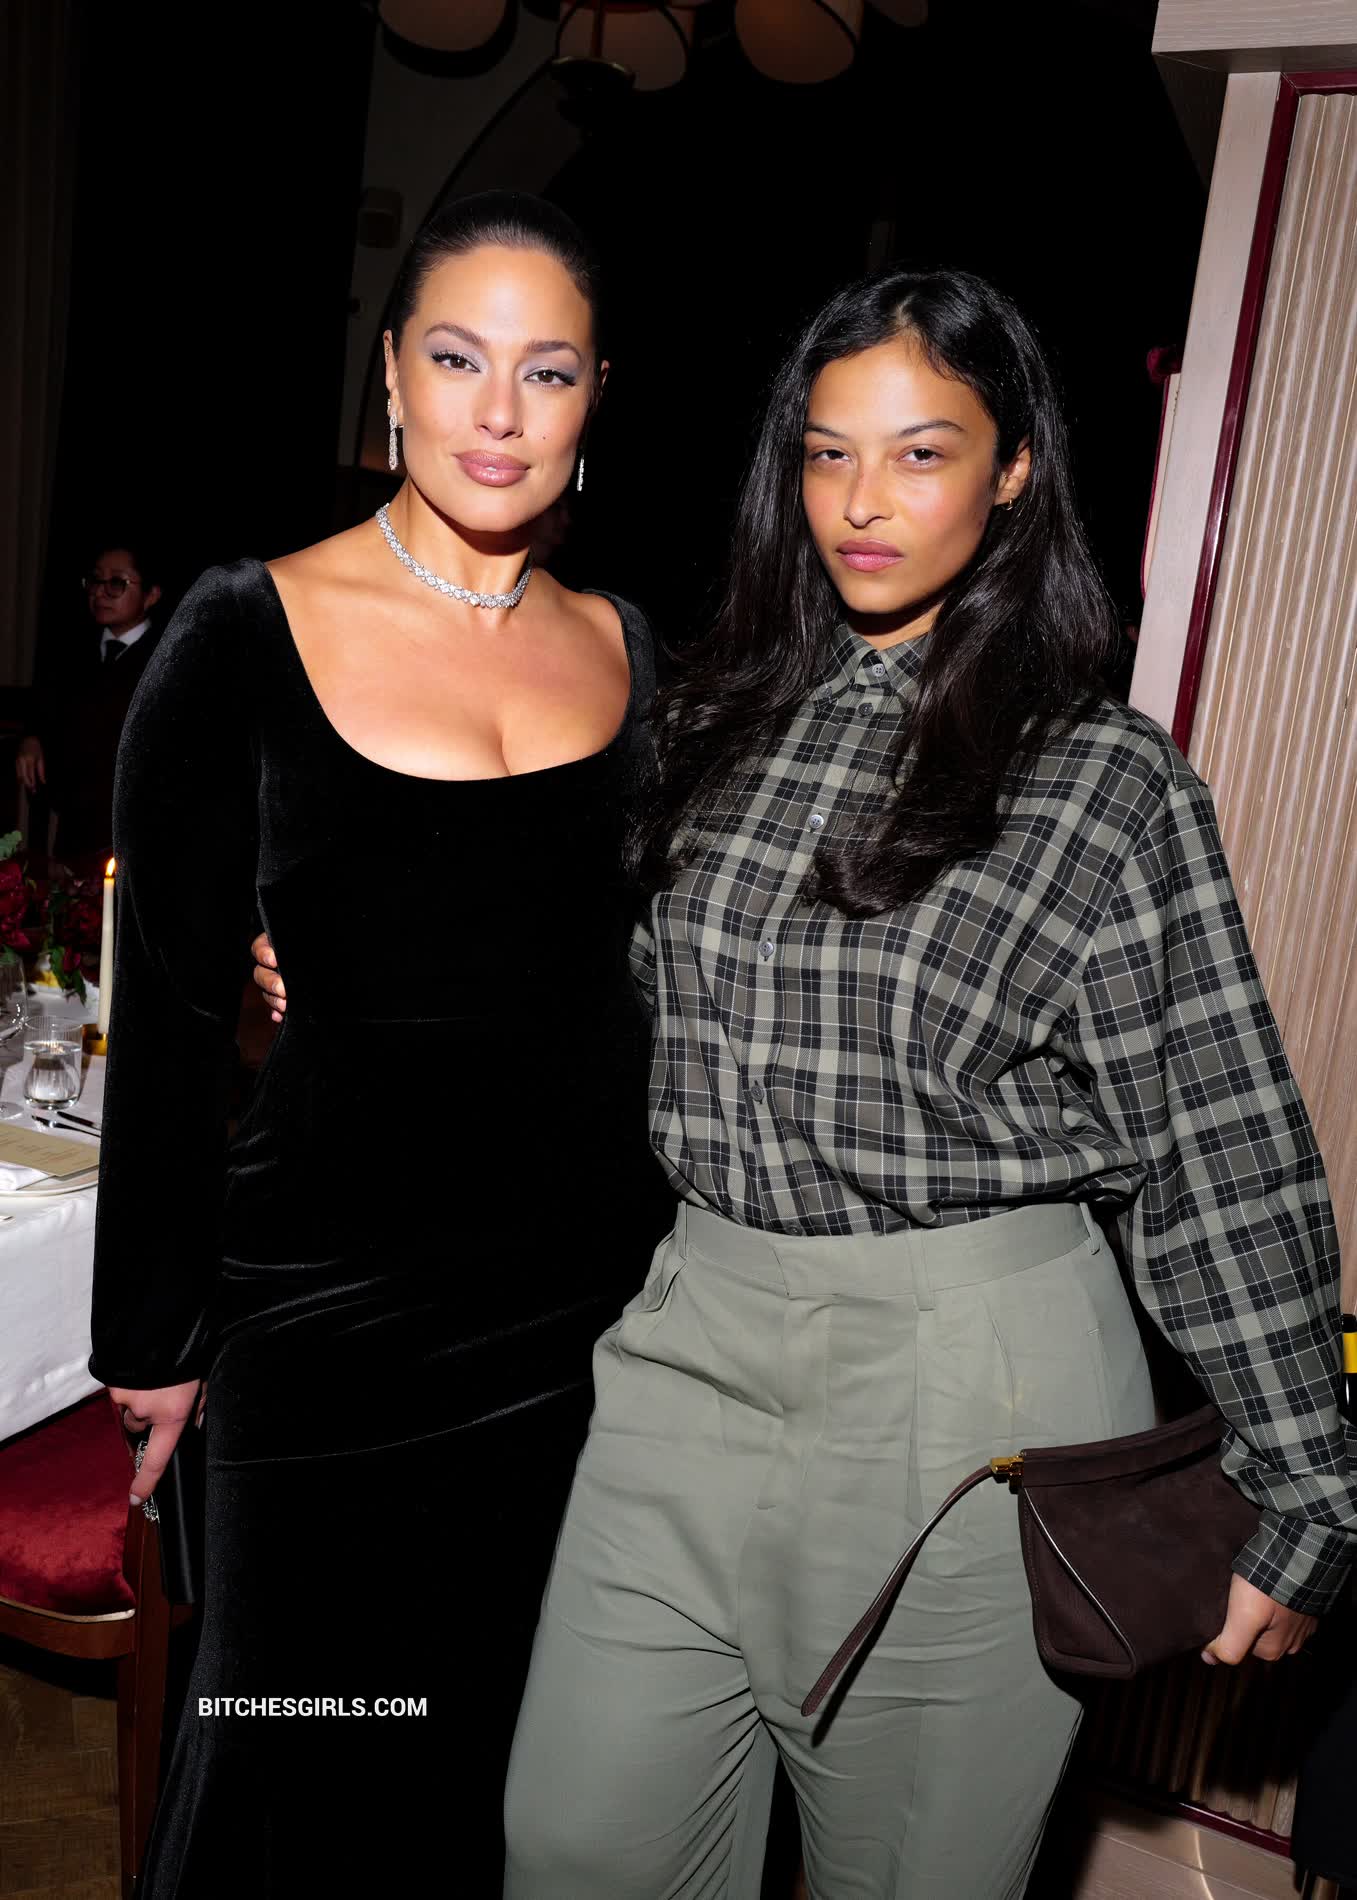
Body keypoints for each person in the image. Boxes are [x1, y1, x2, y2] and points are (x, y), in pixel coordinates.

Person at [489, 269, 1353, 1899]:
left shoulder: (1098, 782)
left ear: (1012, 469)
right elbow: (604, 1020)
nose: (861, 501)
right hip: (687, 1350)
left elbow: (1218, 1149)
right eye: (827, 454)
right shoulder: (710, 723)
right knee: (575, 1844)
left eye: (919, 453)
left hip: (969, 1405)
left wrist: (1305, 1486)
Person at [90, 191, 671, 1897]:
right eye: (459, 358)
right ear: (395, 378)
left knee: (483, 1766)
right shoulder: (241, 627)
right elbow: (169, 1014)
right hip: (320, 1319)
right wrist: (155, 1339)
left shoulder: (633, 652)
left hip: (572, 1324)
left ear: (594, 400)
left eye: (546, 371)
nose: (500, 410)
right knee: (286, 1742)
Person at [16, 541, 164, 870]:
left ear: (151, 595)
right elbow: (44, 710)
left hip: (140, 832)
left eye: (117, 583)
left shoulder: (170, 658)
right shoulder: (73, 651)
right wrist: (32, 738)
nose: (100, 592)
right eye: (96, 580)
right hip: (74, 828)